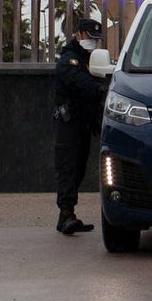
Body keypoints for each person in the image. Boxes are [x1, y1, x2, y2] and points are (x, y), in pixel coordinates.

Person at [53, 18, 109, 235]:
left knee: (78, 169)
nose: (93, 42)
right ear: (78, 34)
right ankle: (66, 214)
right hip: (68, 123)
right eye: (90, 37)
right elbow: (81, 84)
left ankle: (67, 215)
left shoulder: (89, 59)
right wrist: (101, 89)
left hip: (84, 123)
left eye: (96, 39)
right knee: (67, 168)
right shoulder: (69, 60)